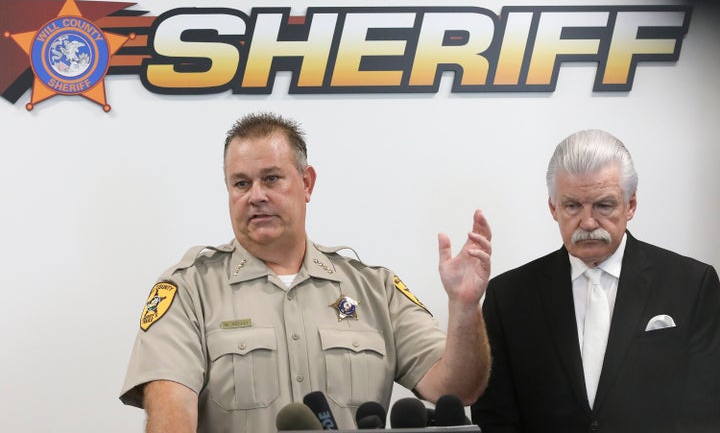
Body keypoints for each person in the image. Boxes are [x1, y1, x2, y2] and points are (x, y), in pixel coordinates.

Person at [120, 112, 492, 433]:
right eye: (241, 183)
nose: (256, 196)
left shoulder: (373, 287)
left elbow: (457, 388)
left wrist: (464, 307)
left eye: (271, 179)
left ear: (307, 183)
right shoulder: (189, 289)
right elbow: (171, 414)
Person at [471, 129, 720, 433]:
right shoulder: (508, 296)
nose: (588, 223)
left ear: (630, 205)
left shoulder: (691, 284)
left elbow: (706, 408)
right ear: (553, 208)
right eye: (573, 206)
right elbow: (495, 415)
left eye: (603, 205)